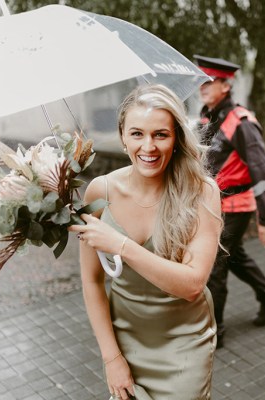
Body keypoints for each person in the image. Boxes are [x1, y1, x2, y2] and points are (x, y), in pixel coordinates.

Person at [68, 84, 222, 400]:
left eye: (160, 135)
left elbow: (192, 284)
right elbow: (92, 282)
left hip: (184, 341)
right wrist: (111, 358)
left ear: (176, 138)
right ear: (123, 137)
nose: (148, 146)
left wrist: (121, 245)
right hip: (125, 335)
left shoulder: (202, 192)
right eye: (137, 134)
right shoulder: (100, 192)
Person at [194, 54, 265, 348]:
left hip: (235, 205)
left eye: (209, 81)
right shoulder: (207, 116)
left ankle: (214, 334)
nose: (202, 87)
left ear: (225, 85)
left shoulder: (241, 122)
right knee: (234, 257)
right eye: (201, 81)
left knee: (216, 264)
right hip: (212, 203)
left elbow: (262, 169)